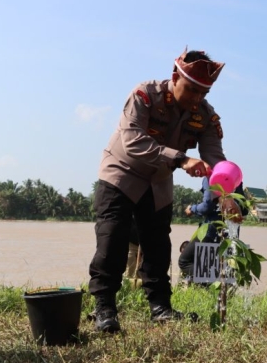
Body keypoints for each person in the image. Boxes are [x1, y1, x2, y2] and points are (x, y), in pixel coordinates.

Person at [88, 48, 229, 333]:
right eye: (191, 90)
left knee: (157, 245)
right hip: (121, 172)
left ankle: (161, 307)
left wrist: (227, 194)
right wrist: (181, 159)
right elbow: (133, 142)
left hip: (158, 180)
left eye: (203, 93)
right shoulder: (144, 95)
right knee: (112, 239)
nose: (196, 99)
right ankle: (104, 308)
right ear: (175, 77)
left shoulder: (205, 115)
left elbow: (215, 158)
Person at [178, 177, 245, 280]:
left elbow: (206, 206)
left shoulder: (210, 177)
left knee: (184, 261)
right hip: (231, 234)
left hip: (211, 230)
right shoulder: (235, 178)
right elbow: (243, 210)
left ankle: (211, 281)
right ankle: (220, 285)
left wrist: (192, 208)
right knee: (222, 263)